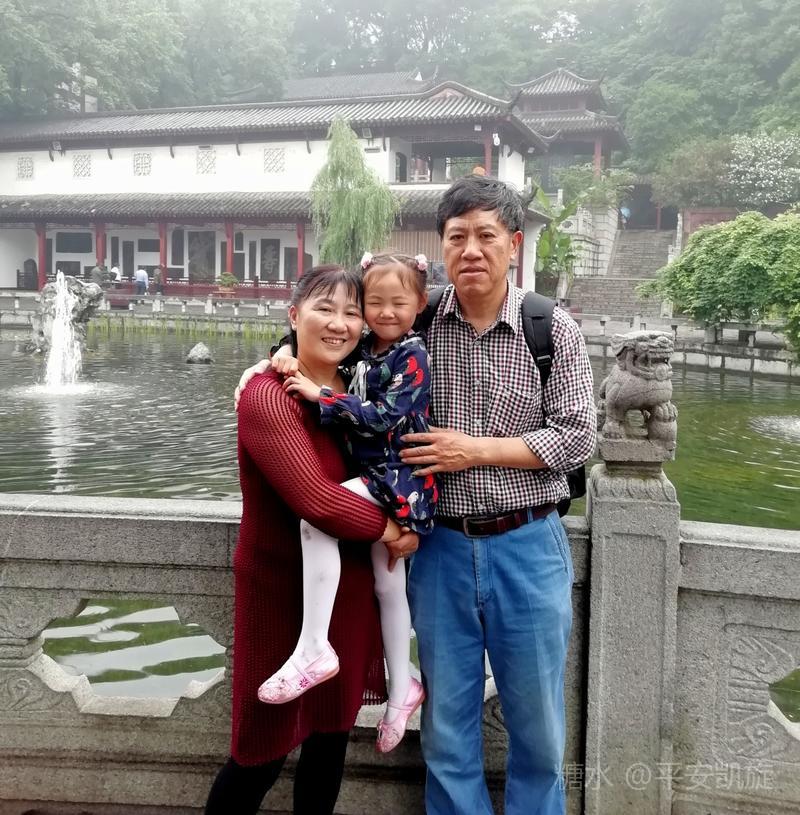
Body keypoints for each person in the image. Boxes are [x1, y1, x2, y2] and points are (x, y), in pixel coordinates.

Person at [235, 176, 596, 815]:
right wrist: (275, 361)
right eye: (457, 237)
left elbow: (578, 437)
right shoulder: (417, 319)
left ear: (514, 244)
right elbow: (341, 339)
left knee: (539, 728)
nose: (471, 250)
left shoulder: (550, 328)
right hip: (437, 548)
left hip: (528, 543)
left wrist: (473, 450)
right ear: (442, 248)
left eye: (486, 236)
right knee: (447, 728)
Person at [206, 264, 419, 815]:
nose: (340, 323)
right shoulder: (268, 396)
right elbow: (316, 501)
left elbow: (413, 303)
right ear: (294, 314)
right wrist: (391, 528)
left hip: (346, 592)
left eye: (352, 312)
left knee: (329, 745)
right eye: (325, 309)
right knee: (258, 754)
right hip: (280, 595)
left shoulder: (360, 388)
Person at [259, 251, 436, 754]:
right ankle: (403, 689)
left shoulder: (412, 355)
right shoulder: (365, 351)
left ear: (420, 305)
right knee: (387, 583)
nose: (384, 313)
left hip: (398, 476)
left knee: (319, 519)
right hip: (381, 477)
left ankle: (315, 646)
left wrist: (322, 397)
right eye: (373, 303)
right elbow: (310, 346)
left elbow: (383, 417)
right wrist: (278, 353)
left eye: (398, 303)